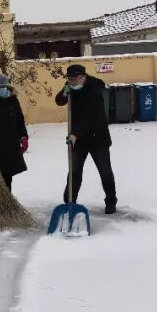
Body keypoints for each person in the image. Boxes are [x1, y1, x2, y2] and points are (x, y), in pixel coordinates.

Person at [55, 65, 117, 214]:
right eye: (69, 79)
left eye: (74, 79)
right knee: (74, 171)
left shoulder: (95, 89)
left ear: (83, 77)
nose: (71, 82)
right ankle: (69, 201)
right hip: (79, 140)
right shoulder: (70, 85)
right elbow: (59, 101)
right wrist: (64, 94)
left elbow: (90, 117)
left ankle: (111, 201)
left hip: (97, 137)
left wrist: (75, 133)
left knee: (105, 171)